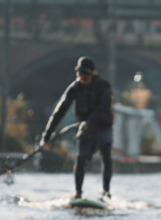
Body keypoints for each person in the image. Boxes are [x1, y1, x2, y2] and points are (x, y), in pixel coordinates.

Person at [39, 56, 115, 200]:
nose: (83, 76)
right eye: (80, 73)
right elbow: (59, 112)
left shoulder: (103, 86)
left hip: (103, 126)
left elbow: (105, 107)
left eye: (86, 73)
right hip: (85, 128)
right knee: (80, 158)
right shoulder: (74, 88)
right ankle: (78, 193)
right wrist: (46, 136)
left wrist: (90, 121)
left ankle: (106, 192)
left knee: (106, 154)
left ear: (92, 73)